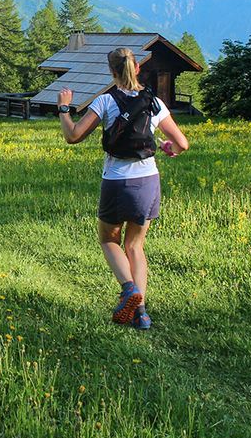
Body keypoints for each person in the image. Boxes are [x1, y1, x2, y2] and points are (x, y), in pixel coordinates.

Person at [56, 47, 189, 329]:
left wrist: (64, 109)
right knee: (135, 245)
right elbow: (182, 144)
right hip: (148, 181)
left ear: (112, 72)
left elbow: (73, 136)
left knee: (109, 240)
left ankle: (128, 288)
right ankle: (141, 314)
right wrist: (166, 146)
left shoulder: (106, 101)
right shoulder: (155, 103)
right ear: (137, 69)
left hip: (117, 180)